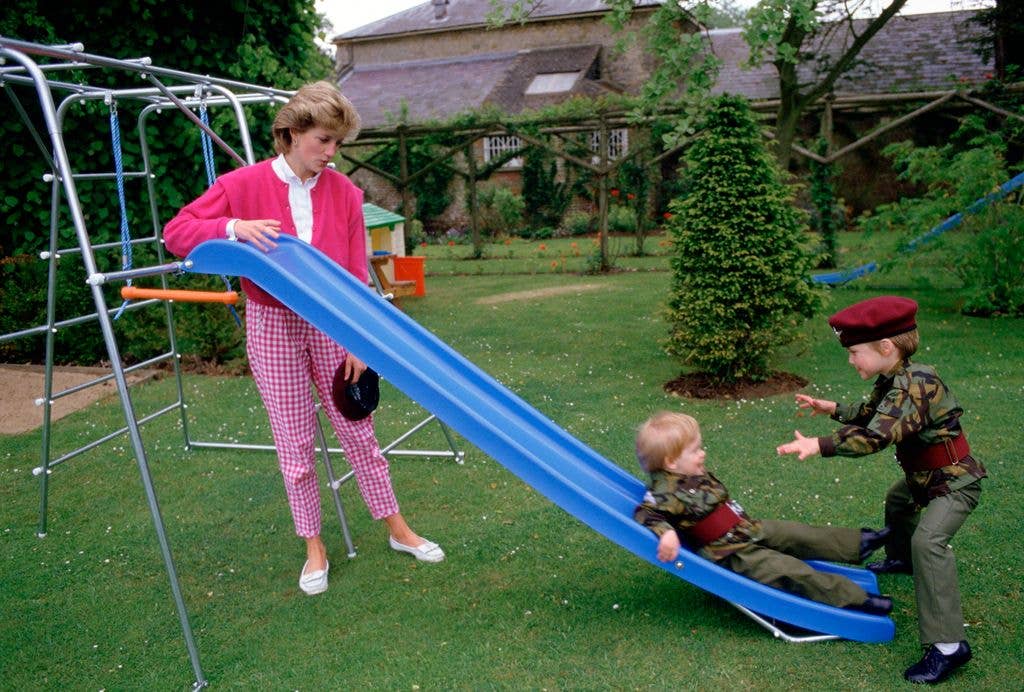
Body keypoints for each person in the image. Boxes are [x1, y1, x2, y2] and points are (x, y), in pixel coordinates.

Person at [163, 81, 444, 597]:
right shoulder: (241, 184)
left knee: (358, 430)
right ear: (291, 134)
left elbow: (356, 276)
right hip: (271, 323)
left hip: (334, 321)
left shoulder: (346, 193)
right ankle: (314, 546)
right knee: (294, 443)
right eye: (323, 140)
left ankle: (397, 528)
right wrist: (233, 228)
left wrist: (360, 341)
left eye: (338, 142)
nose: (332, 152)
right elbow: (176, 232)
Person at [776, 295, 986, 685]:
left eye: (855, 352)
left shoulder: (913, 384)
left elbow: (875, 436)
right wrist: (832, 408)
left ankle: (948, 646)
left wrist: (820, 444)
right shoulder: (896, 378)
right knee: (898, 500)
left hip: (955, 483)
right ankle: (903, 559)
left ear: (885, 347)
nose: (851, 360)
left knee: (930, 543)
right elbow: (874, 413)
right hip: (925, 479)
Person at [633, 411, 893, 616]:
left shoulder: (686, 470)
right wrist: (667, 534)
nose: (703, 454)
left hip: (746, 529)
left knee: (797, 534)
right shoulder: (664, 492)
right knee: (790, 571)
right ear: (671, 462)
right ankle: (858, 600)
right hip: (731, 554)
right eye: (695, 451)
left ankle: (862, 542)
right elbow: (646, 513)